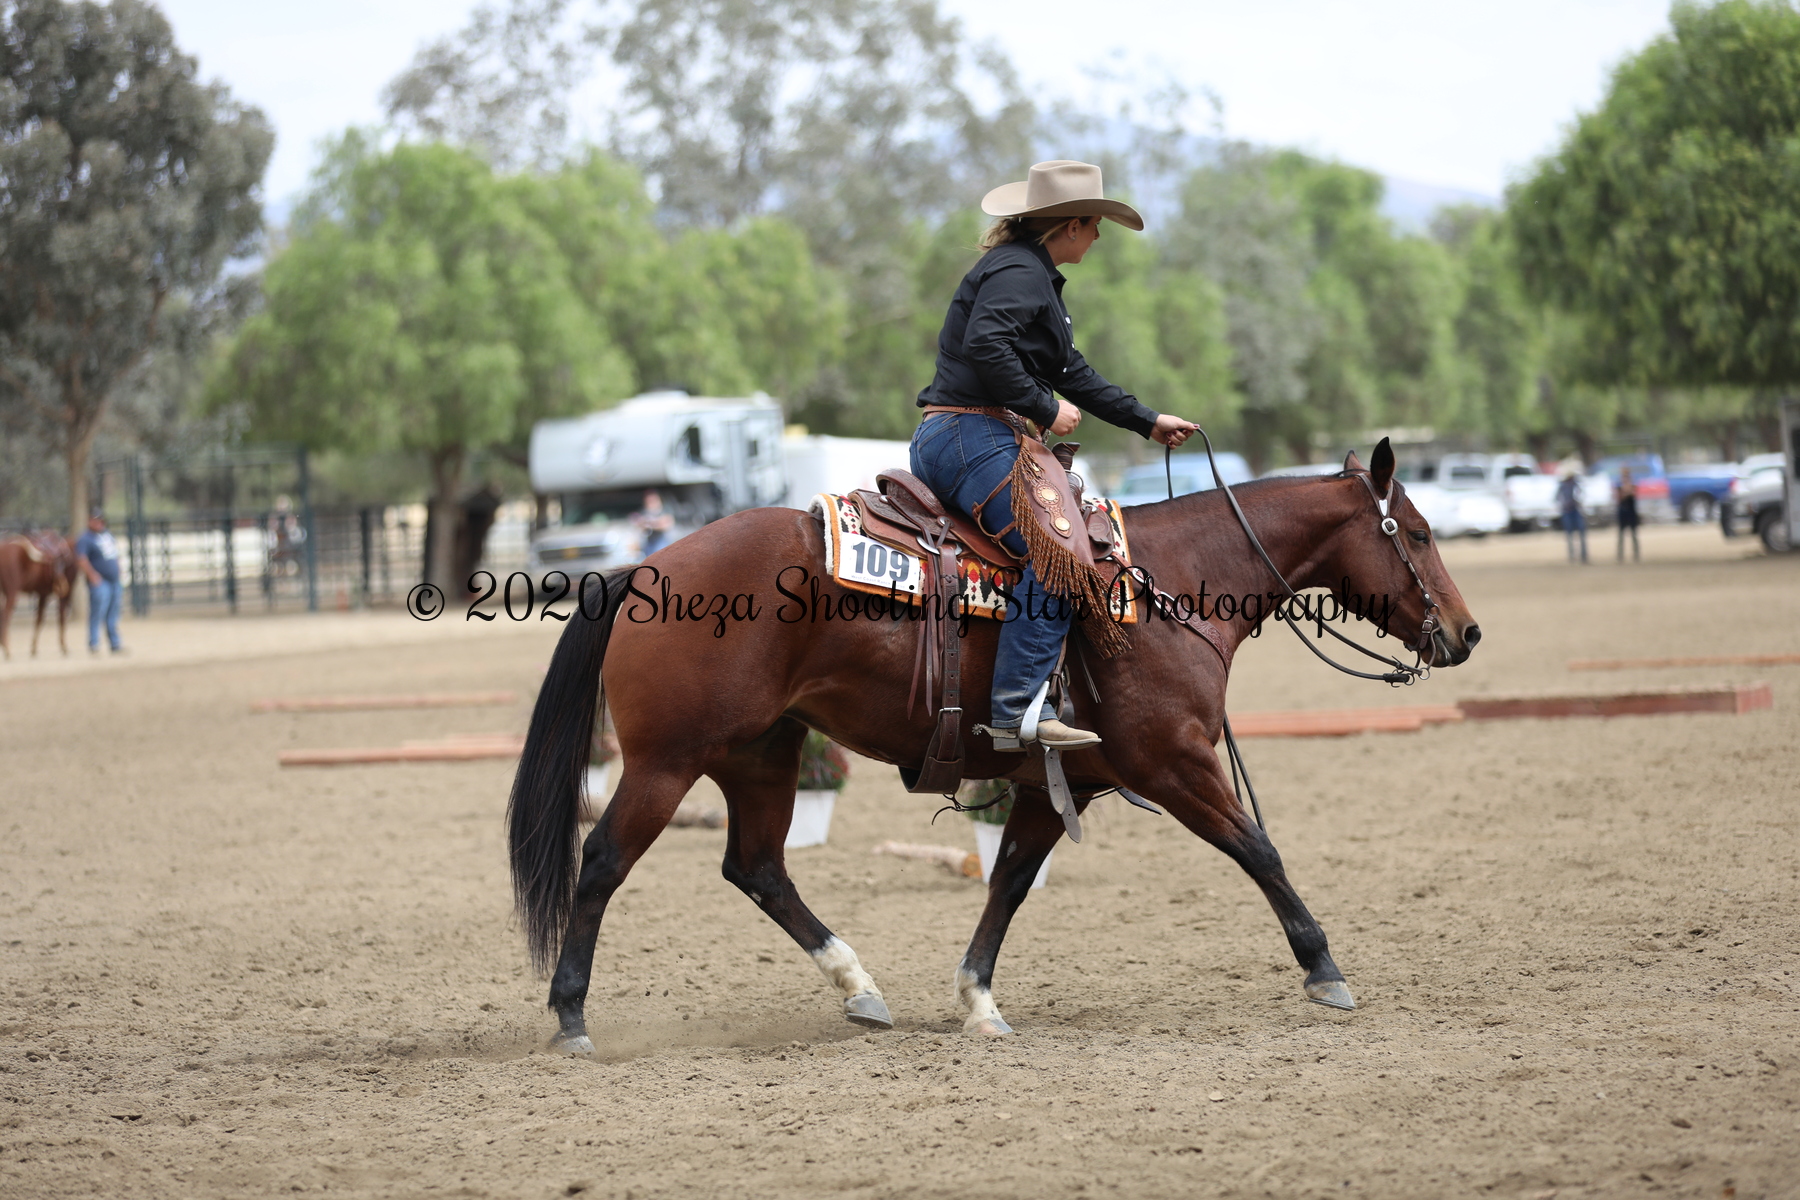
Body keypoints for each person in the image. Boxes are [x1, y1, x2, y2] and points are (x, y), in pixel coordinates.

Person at [910, 160, 1199, 749]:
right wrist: (1043, 406)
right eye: (1095, 227)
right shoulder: (1021, 271)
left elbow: (1073, 373)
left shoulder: (1027, 273)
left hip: (964, 435)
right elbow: (986, 345)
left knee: (1056, 547)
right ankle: (1019, 709)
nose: (1097, 238)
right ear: (1072, 226)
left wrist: (1146, 421)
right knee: (1061, 555)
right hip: (971, 434)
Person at [73, 510, 124, 654]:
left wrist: (119, 570)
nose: (98, 523)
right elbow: (81, 559)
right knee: (97, 612)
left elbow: (114, 554)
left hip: (114, 580)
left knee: (113, 612)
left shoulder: (107, 535)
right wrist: (92, 575)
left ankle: (115, 643)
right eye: (94, 520)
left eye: (100, 520)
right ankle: (94, 643)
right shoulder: (85, 539)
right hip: (100, 582)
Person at [1556, 464, 1589, 564]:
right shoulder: (1563, 486)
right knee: (1569, 534)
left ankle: (1583, 555)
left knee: (1581, 532)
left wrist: (1579, 502)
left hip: (1576, 510)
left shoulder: (1576, 484)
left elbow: (1582, 495)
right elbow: (1557, 497)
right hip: (1567, 511)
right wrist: (1564, 504)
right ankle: (1572, 555)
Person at [632, 489, 675, 557]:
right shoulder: (644, 512)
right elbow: (639, 527)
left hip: (662, 545)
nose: (651, 503)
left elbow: (666, 525)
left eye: (652, 500)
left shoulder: (665, 510)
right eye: (648, 501)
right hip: (649, 545)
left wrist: (651, 524)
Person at [1616, 466, 1641, 562]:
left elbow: (1633, 493)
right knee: (1621, 535)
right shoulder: (1619, 486)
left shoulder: (1632, 484)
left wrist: (1627, 491)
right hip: (1623, 512)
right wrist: (1627, 491)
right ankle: (1620, 555)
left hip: (1631, 511)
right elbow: (1620, 496)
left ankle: (1636, 554)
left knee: (1634, 534)